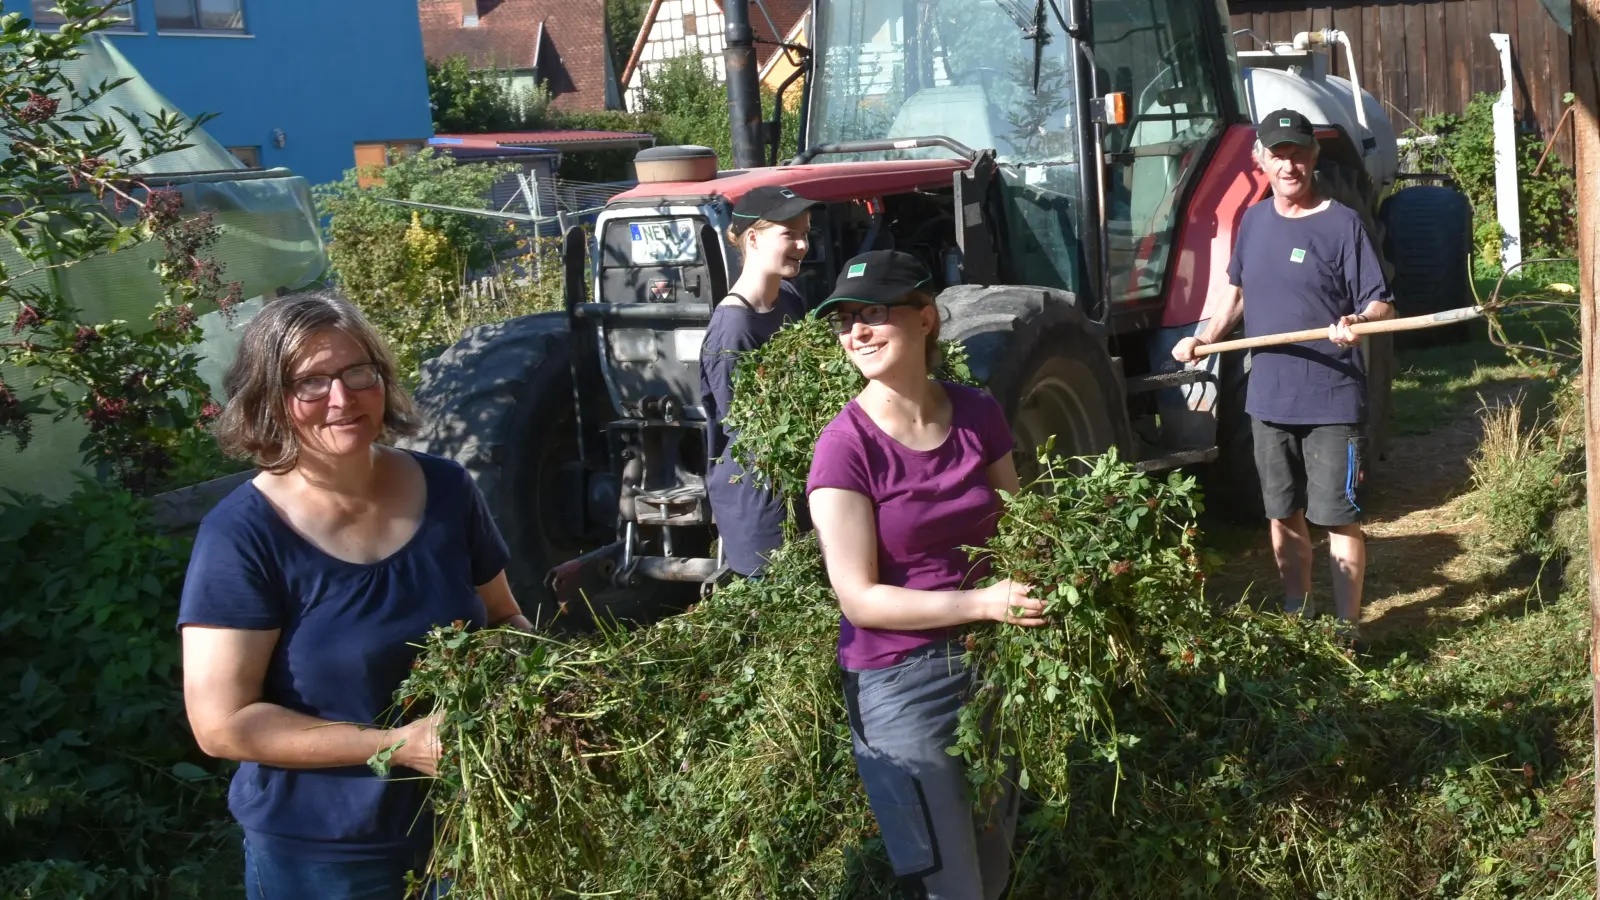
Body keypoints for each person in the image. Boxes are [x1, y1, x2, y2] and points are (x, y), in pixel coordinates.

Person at [178, 291, 532, 899]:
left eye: (356, 373)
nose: (340, 399)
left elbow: (505, 619)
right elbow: (221, 724)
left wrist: (529, 688)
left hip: (467, 827)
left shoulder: (446, 490)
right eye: (310, 383)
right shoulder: (242, 537)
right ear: (270, 401)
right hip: (326, 856)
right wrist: (397, 747)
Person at [805, 250, 1045, 899]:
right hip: (899, 683)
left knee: (993, 866)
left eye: (873, 313)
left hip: (992, 661)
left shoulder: (977, 412)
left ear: (925, 318)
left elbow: (1019, 525)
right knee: (949, 885)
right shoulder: (845, 447)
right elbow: (860, 600)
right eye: (845, 320)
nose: (855, 332)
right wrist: (985, 604)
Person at [1173, 109, 1394, 642]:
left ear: (1313, 157)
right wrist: (1206, 336)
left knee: (1337, 515)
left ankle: (1348, 625)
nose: (1288, 163)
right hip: (1269, 399)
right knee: (1282, 512)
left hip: (1331, 397)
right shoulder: (1253, 221)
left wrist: (1357, 323)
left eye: (1298, 152)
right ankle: (1298, 609)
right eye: (1278, 153)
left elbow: (1381, 303)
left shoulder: (1341, 223)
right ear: (1262, 161)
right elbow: (1237, 291)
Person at [700, 185, 820, 577]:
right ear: (753, 238)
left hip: (800, 487)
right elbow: (752, 429)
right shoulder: (734, 327)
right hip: (762, 503)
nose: (802, 245)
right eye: (790, 234)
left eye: (805, 233)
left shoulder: (788, 296)